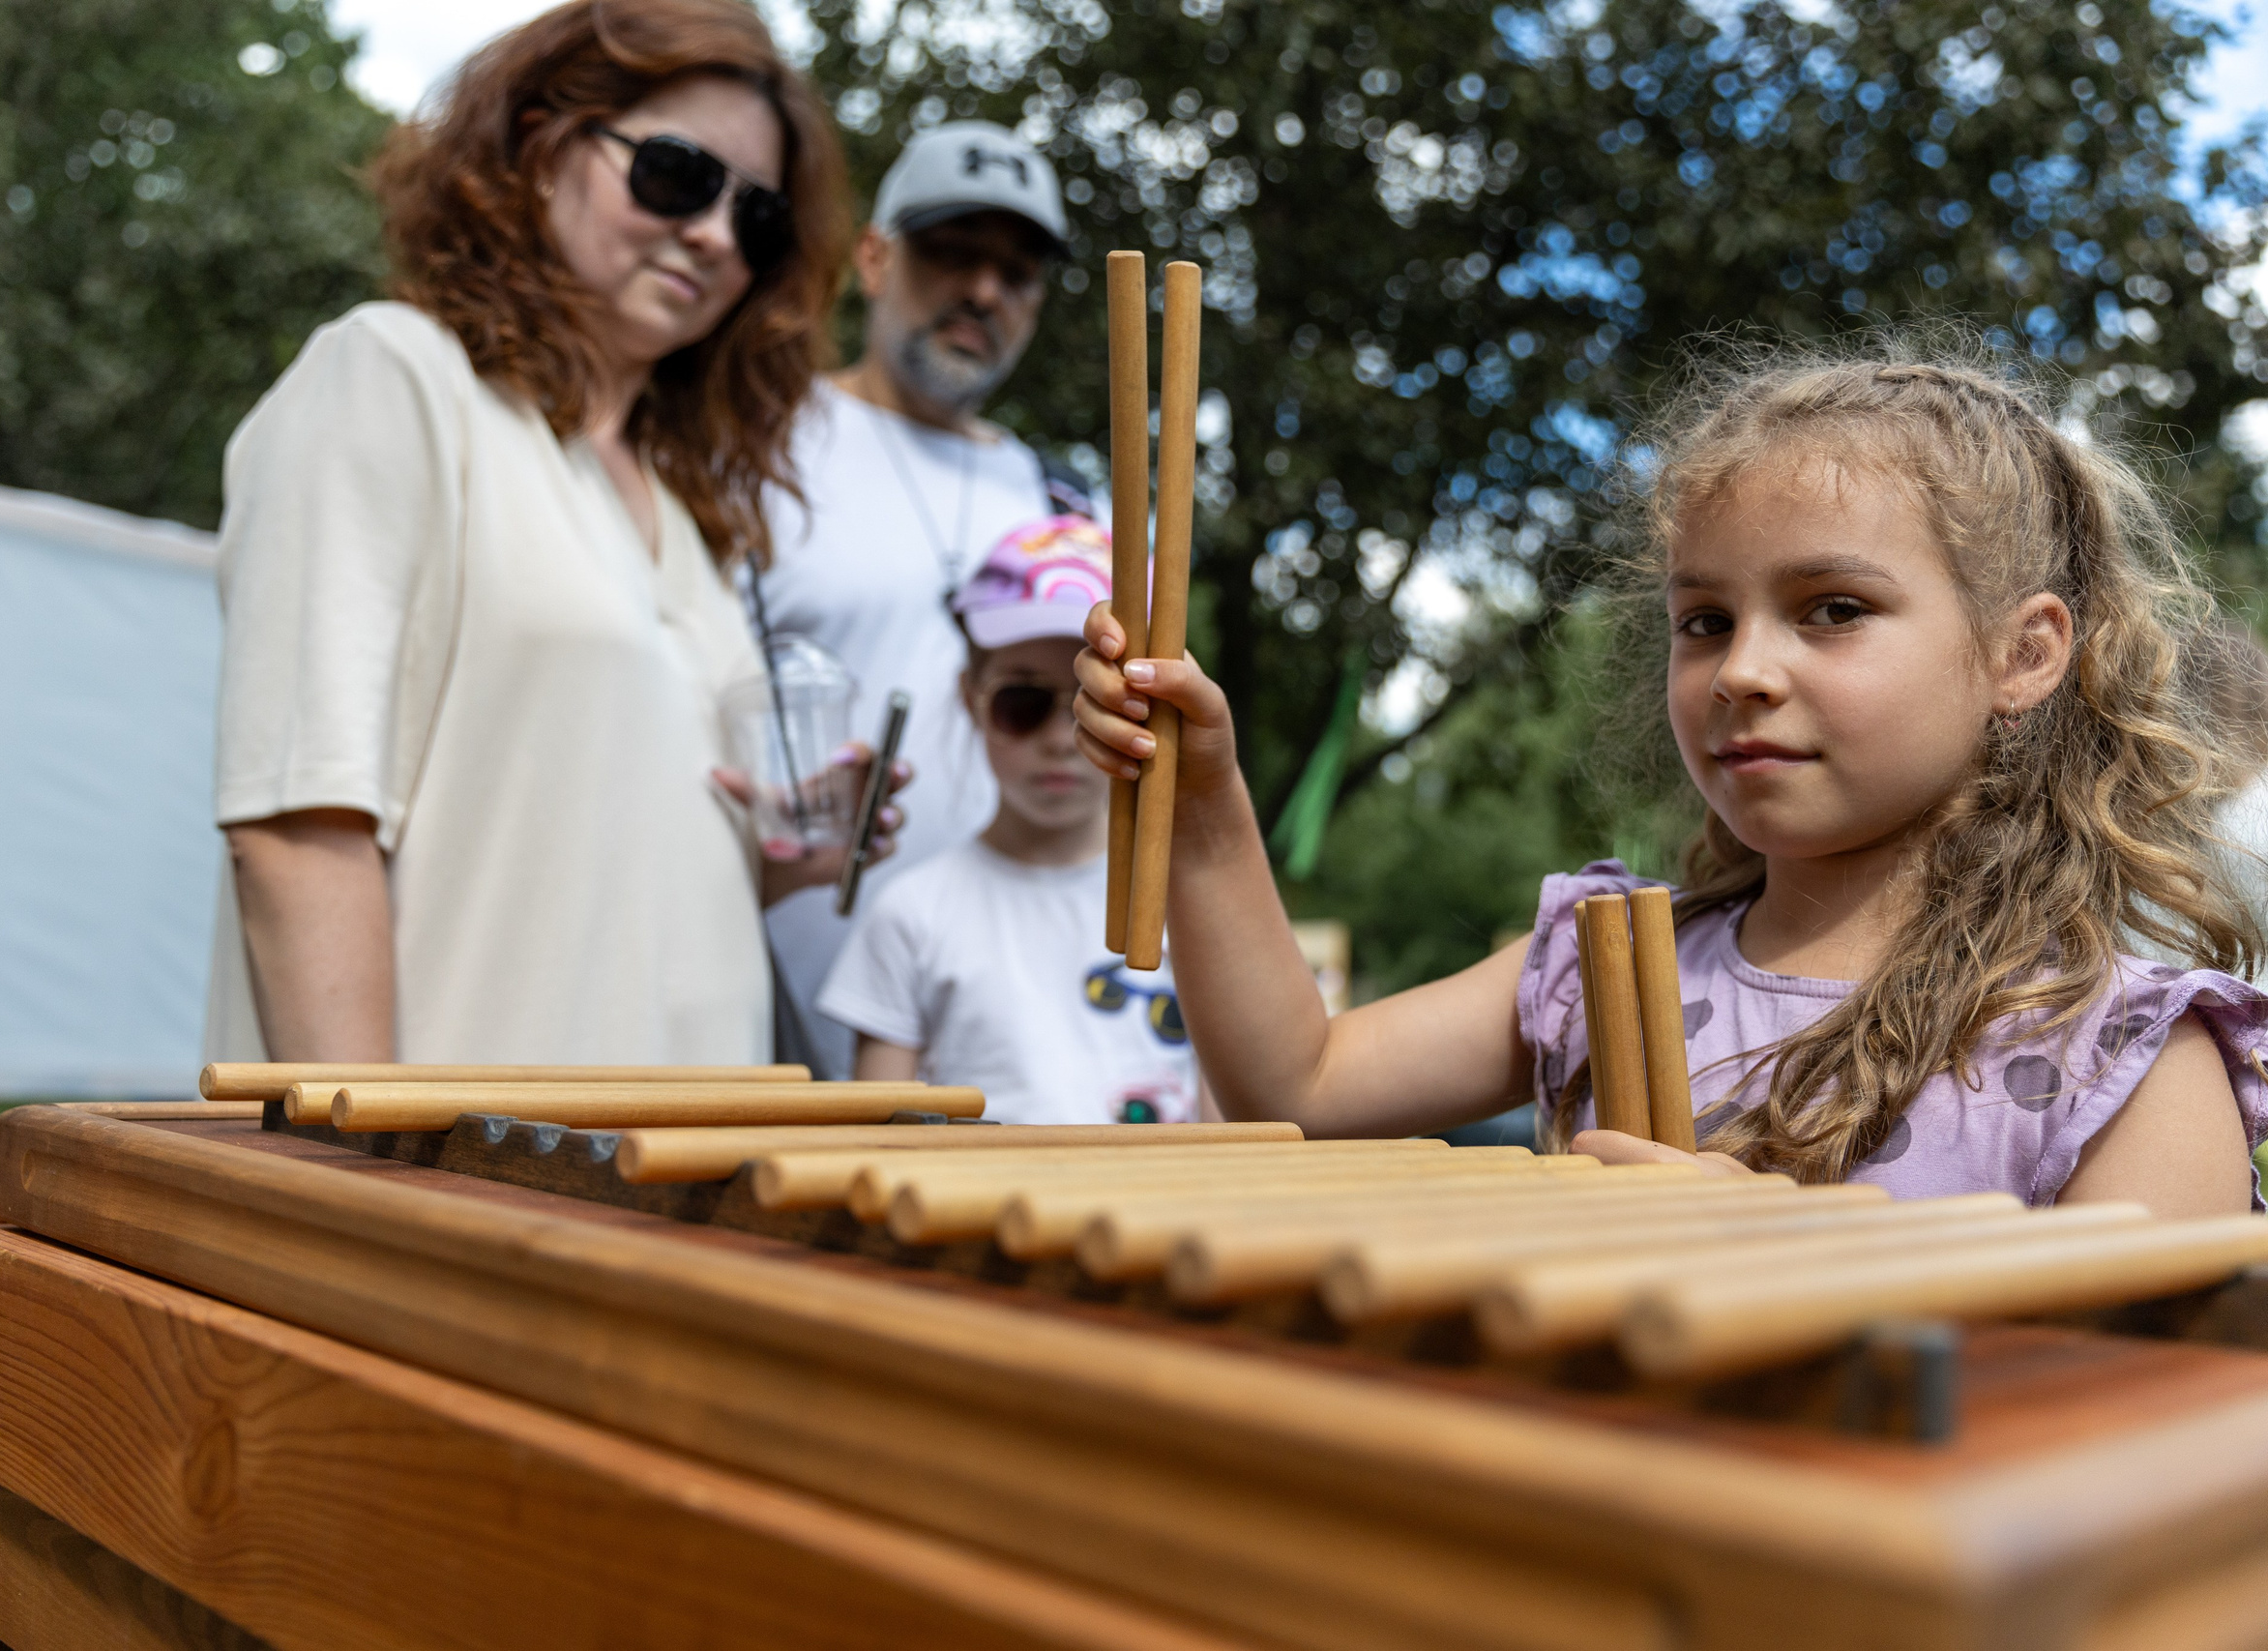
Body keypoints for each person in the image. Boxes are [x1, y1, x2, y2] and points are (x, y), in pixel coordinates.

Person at [1073, 339, 2268, 1214]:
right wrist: (1206, 807)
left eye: (1832, 610)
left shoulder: (2118, 1054)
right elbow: (1298, 1081)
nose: (1741, 669)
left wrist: (1782, 1260)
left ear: (2023, 652)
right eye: (1703, 621)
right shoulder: (1595, 962)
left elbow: (2162, 1434)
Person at [205, 0, 889, 1065]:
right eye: (677, 174)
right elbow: (298, 829)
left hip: (677, 1187)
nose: (712, 232)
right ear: (540, 148)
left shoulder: (689, 515)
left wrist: (778, 852)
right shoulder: (394, 377)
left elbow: (573, 861)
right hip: (458, 1195)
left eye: (755, 220)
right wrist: (364, 1194)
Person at [752, 119, 1074, 1074]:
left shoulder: (1069, 508)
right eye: (952, 253)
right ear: (874, 258)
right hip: (767, 1043)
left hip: (1012, 1047)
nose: (983, 290)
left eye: (1017, 274)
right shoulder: (756, 452)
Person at [820, 519, 1200, 1124]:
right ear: (972, 699)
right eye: (1022, 702)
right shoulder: (911, 916)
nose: (1060, 739)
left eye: (1097, 703)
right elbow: (876, 1150)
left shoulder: (1196, 908)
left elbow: (1236, 1128)